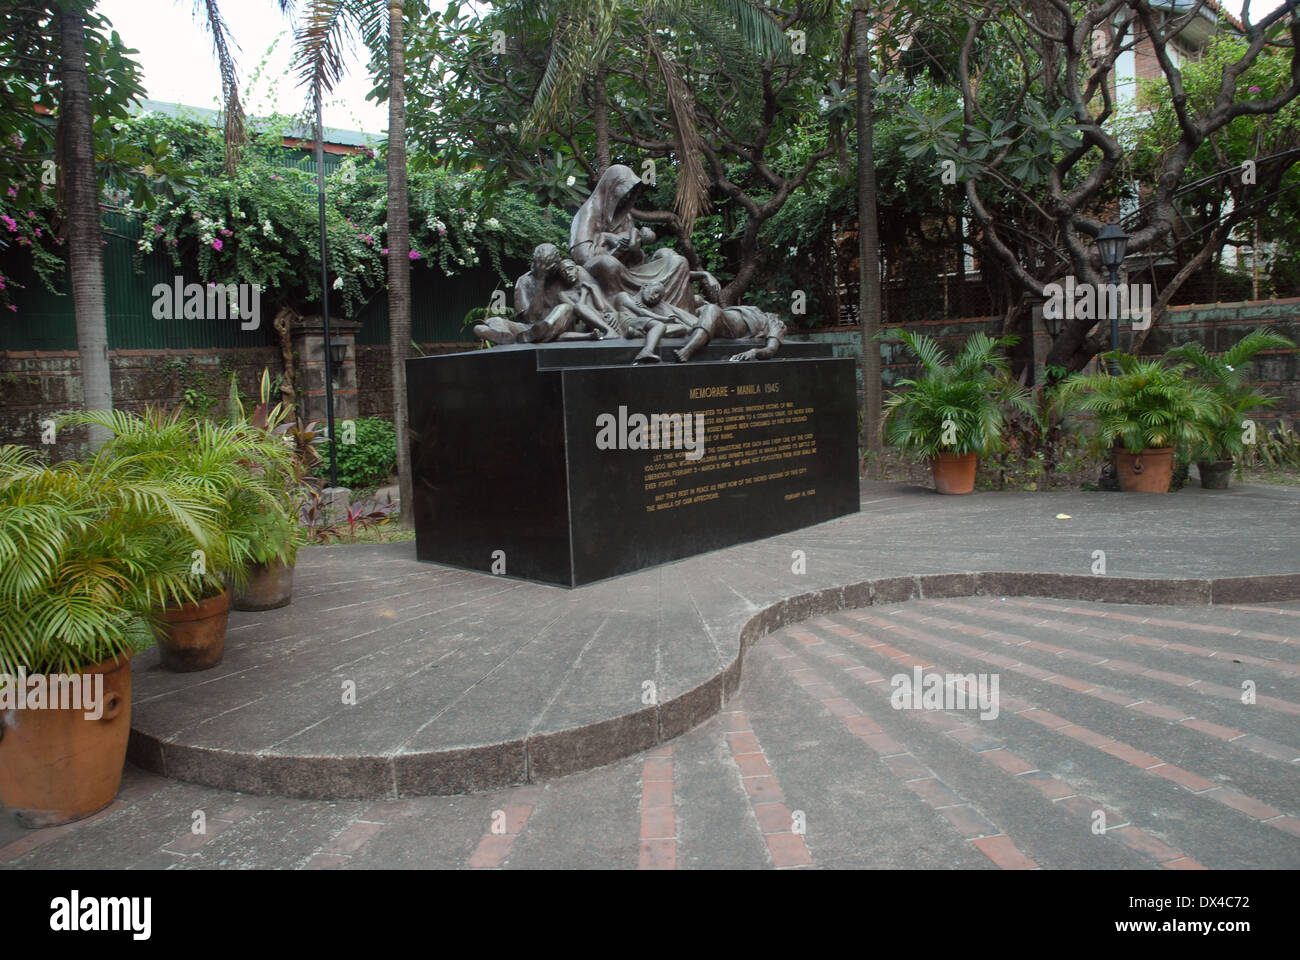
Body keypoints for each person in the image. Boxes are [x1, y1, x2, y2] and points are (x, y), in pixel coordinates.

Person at [675, 304, 786, 362]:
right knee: (699, 302)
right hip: (722, 316)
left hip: (732, 326)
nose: (774, 314)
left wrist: (755, 352)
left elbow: (771, 350)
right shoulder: (755, 310)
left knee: (711, 309)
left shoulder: (776, 323)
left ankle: (687, 351)